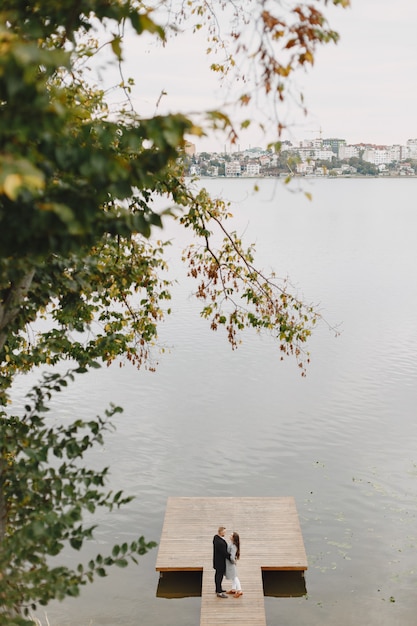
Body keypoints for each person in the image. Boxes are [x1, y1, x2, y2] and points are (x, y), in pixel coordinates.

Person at [225, 531, 243, 598]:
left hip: (231, 564)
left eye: (231, 535)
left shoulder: (233, 546)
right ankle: (233, 589)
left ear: (233, 538)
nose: (229, 536)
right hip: (230, 564)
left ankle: (239, 590)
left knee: (235, 577)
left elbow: (232, 557)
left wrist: (233, 562)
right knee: (233, 577)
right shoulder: (232, 544)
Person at [213, 526, 228, 598]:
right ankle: (219, 592)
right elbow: (224, 553)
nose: (225, 533)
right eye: (224, 532)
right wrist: (231, 557)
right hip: (220, 562)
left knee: (217, 575)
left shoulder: (216, 538)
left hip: (216, 560)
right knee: (219, 576)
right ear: (221, 532)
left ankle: (218, 588)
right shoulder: (220, 543)